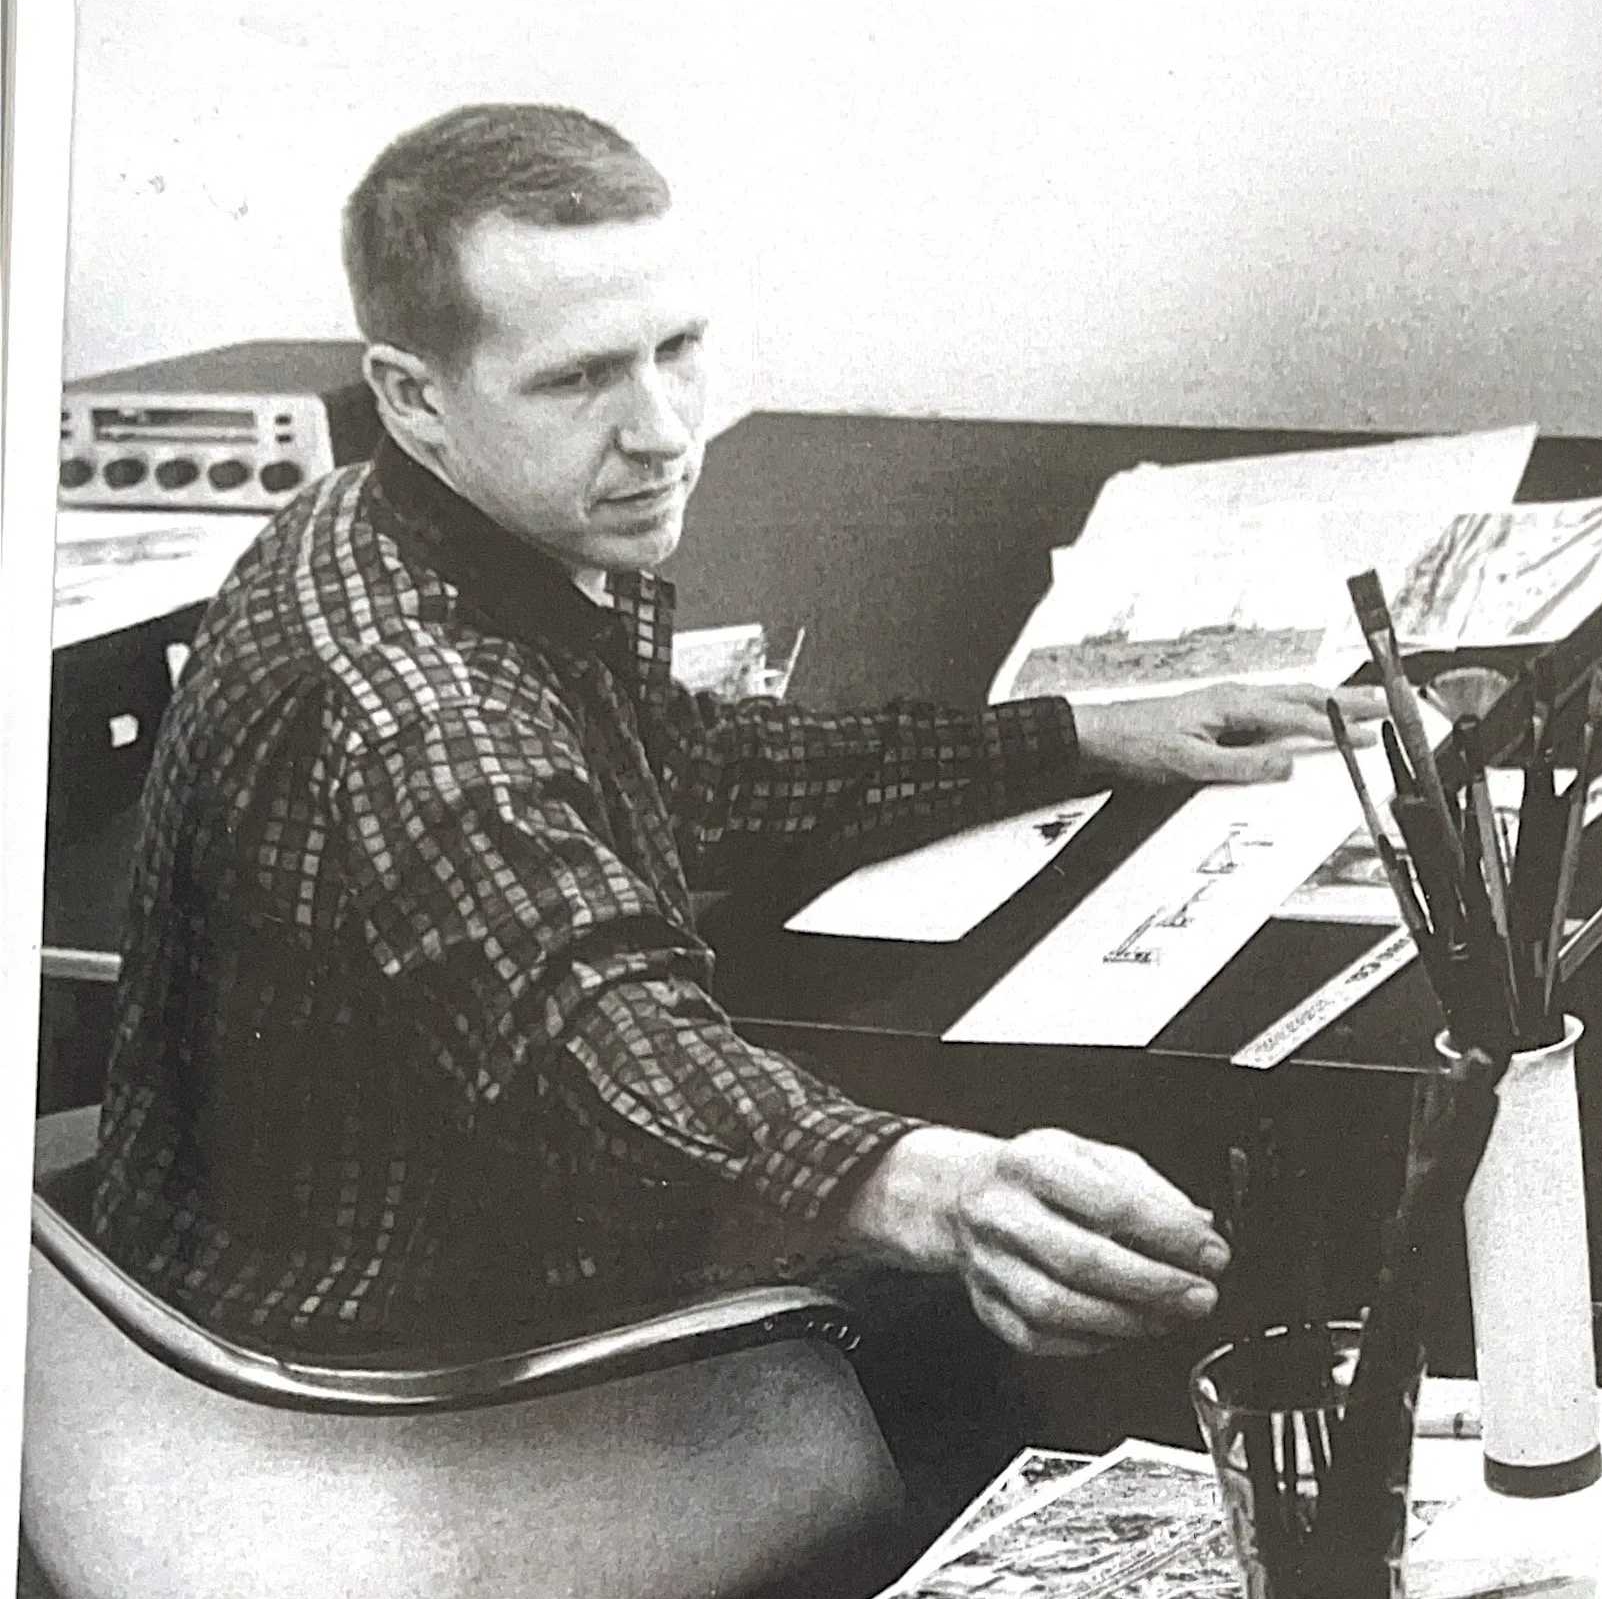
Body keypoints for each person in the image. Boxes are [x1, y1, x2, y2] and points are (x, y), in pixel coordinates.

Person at [92, 100, 1373, 1394]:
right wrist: (938, 1185)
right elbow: (595, 1029)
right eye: (580, 376)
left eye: (679, 347)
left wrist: (1080, 732)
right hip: (367, 1389)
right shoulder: (417, 704)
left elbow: (686, 775)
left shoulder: (477, 515)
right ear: (413, 400)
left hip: (434, 1263)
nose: (662, 427)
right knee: (1153, 1324)